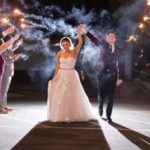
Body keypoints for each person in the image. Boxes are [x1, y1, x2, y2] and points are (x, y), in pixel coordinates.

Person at [47, 26, 96, 122]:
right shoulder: (59, 53)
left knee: (72, 95)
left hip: (71, 74)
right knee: (60, 94)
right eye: (63, 44)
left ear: (69, 44)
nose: (65, 46)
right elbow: (57, 66)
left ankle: (73, 115)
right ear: (61, 45)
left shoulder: (74, 51)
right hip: (61, 74)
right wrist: (54, 77)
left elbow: (81, 42)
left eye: (66, 44)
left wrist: (79, 32)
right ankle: (60, 115)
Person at [79, 24, 124, 123]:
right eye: (109, 36)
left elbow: (121, 64)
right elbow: (94, 39)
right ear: (107, 38)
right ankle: (100, 107)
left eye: (113, 36)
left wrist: (120, 78)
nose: (111, 38)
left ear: (115, 39)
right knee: (102, 94)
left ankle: (109, 116)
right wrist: (85, 31)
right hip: (102, 73)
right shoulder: (103, 45)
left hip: (113, 75)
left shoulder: (119, 50)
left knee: (111, 96)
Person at [0, 26, 20, 113]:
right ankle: (1, 106)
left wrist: (17, 42)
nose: (11, 44)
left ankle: (3, 105)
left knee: (5, 90)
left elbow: (9, 47)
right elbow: (4, 48)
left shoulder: (9, 49)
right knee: (2, 90)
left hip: (7, 71)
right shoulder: (4, 49)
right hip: (4, 71)